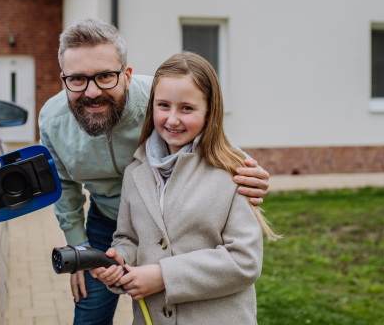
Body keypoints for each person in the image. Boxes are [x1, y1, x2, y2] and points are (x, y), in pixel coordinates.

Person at [38, 19, 271, 324]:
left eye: (106, 76)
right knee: (90, 311)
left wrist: (245, 169)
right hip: (109, 219)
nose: (92, 92)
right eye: (78, 79)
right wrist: (80, 248)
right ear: (63, 79)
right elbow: (64, 186)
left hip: (181, 214)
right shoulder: (52, 121)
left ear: (127, 74)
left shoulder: (163, 97)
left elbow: (207, 135)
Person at [91, 52, 280, 324]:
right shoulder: (135, 173)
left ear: (209, 112)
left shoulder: (233, 172)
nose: (173, 119)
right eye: (164, 105)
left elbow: (245, 261)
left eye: (187, 108)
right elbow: (128, 238)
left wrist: (163, 276)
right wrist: (119, 261)